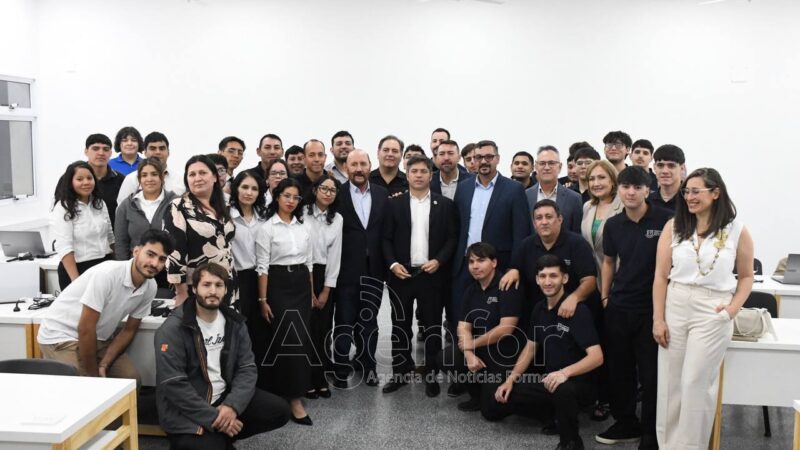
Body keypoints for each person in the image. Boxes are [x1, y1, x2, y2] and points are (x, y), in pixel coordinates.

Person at [653, 168, 754, 449]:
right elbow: (661, 276)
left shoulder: (737, 230)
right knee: (671, 384)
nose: (689, 197)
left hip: (713, 308)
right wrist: (658, 318)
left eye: (696, 191)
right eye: (687, 192)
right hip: (676, 303)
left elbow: (746, 277)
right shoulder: (674, 226)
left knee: (695, 383)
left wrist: (732, 309)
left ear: (716, 193)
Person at [154, 263, 290, 449]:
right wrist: (215, 417)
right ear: (194, 289)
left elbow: (247, 368)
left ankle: (222, 434)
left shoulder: (235, 322)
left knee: (280, 411)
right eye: (206, 285)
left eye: (218, 285)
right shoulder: (172, 329)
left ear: (226, 289)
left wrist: (232, 406)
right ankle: (217, 434)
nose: (213, 291)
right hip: (187, 411)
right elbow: (174, 384)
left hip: (224, 397)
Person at [487, 254, 603, 450]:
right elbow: (530, 348)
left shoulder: (578, 311)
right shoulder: (538, 309)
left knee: (561, 388)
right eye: (543, 276)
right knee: (501, 396)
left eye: (553, 276)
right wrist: (510, 379)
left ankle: (571, 441)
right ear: (537, 280)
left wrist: (564, 373)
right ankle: (551, 414)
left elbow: (597, 357)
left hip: (579, 383)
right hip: (549, 379)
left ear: (564, 279)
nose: (547, 282)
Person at [595, 167, 672, 449]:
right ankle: (625, 422)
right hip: (619, 306)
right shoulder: (613, 225)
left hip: (651, 309)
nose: (630, 192)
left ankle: (651, 432)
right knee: (619, 370)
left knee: (651, 375)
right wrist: (605, 297)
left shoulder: (667, 220)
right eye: (625, 186)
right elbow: (608, 261)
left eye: (636, 187)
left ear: (646, 189)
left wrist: (661, 313)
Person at [38, 230, 173, 382]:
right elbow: (85, 328)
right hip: (61, 335)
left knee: (131, 380)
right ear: (136, 251)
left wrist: (104, 363)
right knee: (83, 388)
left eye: (162, 259)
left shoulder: (150, 286)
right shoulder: (107, 274)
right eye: (150, 254)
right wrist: (94, 378)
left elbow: (129, 330)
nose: (155, 263)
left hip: (98, 338)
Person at [381, 155, 457, 397]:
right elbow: (385, 238)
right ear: (407, 173)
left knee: (432, 326)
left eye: (424, 171)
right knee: (400, 326)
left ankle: (431, 374)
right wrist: (392, 264)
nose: (419, 175)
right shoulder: (394, 204)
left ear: (430, 175)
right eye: (414, 171)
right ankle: (400, 372)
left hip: (431, 275)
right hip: (401, 275)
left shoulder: (444, 205)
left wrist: (439, 260)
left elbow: (452, 238)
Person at [452, 140, 532, 345]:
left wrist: (515, 267)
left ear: (497, 159)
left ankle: (495, 368)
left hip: (500, 268)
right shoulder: (463, 188)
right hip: (465, 265)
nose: (483, 161)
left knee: (496, 321)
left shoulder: (513, 190)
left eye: (489, 157)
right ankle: (465, 363)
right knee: (462, 318)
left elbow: (521, 233)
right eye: (478, 157)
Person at [254, 178, 315, 425]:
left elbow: (309, 263)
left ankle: (295, 390)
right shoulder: (267, 228)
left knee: (301, 338)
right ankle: (293, 399)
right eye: (286, 195)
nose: (291, 201)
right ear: (277, 196)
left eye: (296, 197)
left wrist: (311, 292)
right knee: (289, 339)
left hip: (301, 284)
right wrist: (263, 299)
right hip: (277, 285)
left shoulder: (303, 226)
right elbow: (262, 267)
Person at [436, 242, 524, 412]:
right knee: (446, 357)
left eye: (481, 260)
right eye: (471, 262)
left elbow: (506, 329)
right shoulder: (471, 290)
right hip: (480, 350)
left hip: (504, 354)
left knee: (491, 411)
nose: (475, 266)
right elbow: (463, 327)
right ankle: (476, 394)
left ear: (494, 262)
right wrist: (469, 354)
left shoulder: (507, 286)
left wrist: (472, 344)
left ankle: (488, 392)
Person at [332, 149, 389, 388]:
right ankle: (341, 367)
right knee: (344, 321)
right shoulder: (337, 194)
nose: (358, 169)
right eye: (353, 164)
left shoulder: (382, 193)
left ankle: (368, 366)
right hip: (346, 270)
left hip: (374, 270)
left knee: (369, 321)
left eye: (362, 164)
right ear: (345, 167)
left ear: (370, 166)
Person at [500, 200, 598, 325]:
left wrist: (574, 298)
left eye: (549, 217)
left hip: (572, 312)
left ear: (560, 219)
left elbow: (589, 281)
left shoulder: (577, 244)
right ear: (534, 223)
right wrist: (514, 271)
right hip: (539, 314)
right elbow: (514, 267)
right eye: (539, 218)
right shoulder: (525, 246)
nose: (544, 222)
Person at [580, 159, 623, 421]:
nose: (596, 183)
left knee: (613, 346)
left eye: (602, 178)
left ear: (612, 180)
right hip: (591, 284)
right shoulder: (587, 206)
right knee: (593, 342)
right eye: (592, 178)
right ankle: (593, 395)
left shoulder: (621, 206)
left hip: (617, 284)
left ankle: (609, 400)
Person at [165, 155, 234, 306]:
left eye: (203, 173)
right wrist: (181, 292)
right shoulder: (178, 207)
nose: (197, 178)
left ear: (215, 177)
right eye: (192, 174)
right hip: (197, 289)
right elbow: (175, 252)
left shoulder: (221, 207)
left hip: (226, 285)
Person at [304, 174, 343, 399]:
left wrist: (327, 289)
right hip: (303, 274)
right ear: (315, 189)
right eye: (324, 188)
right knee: (307, 330)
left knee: (323, 329)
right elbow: (303, 251)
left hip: (325, 275)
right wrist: (309, 290)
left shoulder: (337, 218)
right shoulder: (302, 212)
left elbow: (335, 255)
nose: (328, 193)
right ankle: (308, 379)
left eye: (332, 190)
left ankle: (320, 377)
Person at [50, 161, 114, 290]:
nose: (86, 182)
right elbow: (65, 248)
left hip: (103, 266)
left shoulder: (99, 203)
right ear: (70, 182)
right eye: (79, 179)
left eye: (89, 178)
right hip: (77, 269)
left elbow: (110, 237)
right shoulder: (63, 207)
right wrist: (76, 281)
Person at [114, 158, 177, 288]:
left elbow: (182, 240)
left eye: (154, 174)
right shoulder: (126, 206)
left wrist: (176, 272)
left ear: (162, 177)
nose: (149, 179)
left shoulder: (176, 203)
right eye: (144, 175)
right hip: (136, 271)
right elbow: (121, 242)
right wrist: (125, 272)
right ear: (139, 179)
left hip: (167, 273)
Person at [229, 170, 268, 323]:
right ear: (236, 188)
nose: (249, 192)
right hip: (237, 278)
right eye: (244, 187)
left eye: (254, 189)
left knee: (260, 326)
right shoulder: (226, 216)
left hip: (262, 276)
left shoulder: (264, 217)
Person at [525, 147, 583, 234]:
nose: (547, 167)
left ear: (560, 167)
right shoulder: (525, 196)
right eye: (542, 163)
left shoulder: (574, 198)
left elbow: (577, 234)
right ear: (536, 167)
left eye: (551, 163)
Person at [117, 131, 184, 202]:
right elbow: (122, 209)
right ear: (145, 153)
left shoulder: (181, 180)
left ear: (168, 152)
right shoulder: (132, 179)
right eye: (152, 148)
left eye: (162, 148)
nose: (158, 152)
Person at [84, 133, 125, 226]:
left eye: (106, 149)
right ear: (86, 151)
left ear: (110, 153)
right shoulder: (72, 178)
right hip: (81, 238)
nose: (101, 153)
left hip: (114, 237)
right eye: (95, 148)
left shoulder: (121, 180)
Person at [648, 144, 686, 213]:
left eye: (671, 166)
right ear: (654, 167)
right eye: (660, 165)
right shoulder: (646, 201)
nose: (665, 171)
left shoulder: (690, 200)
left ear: (682, 168)